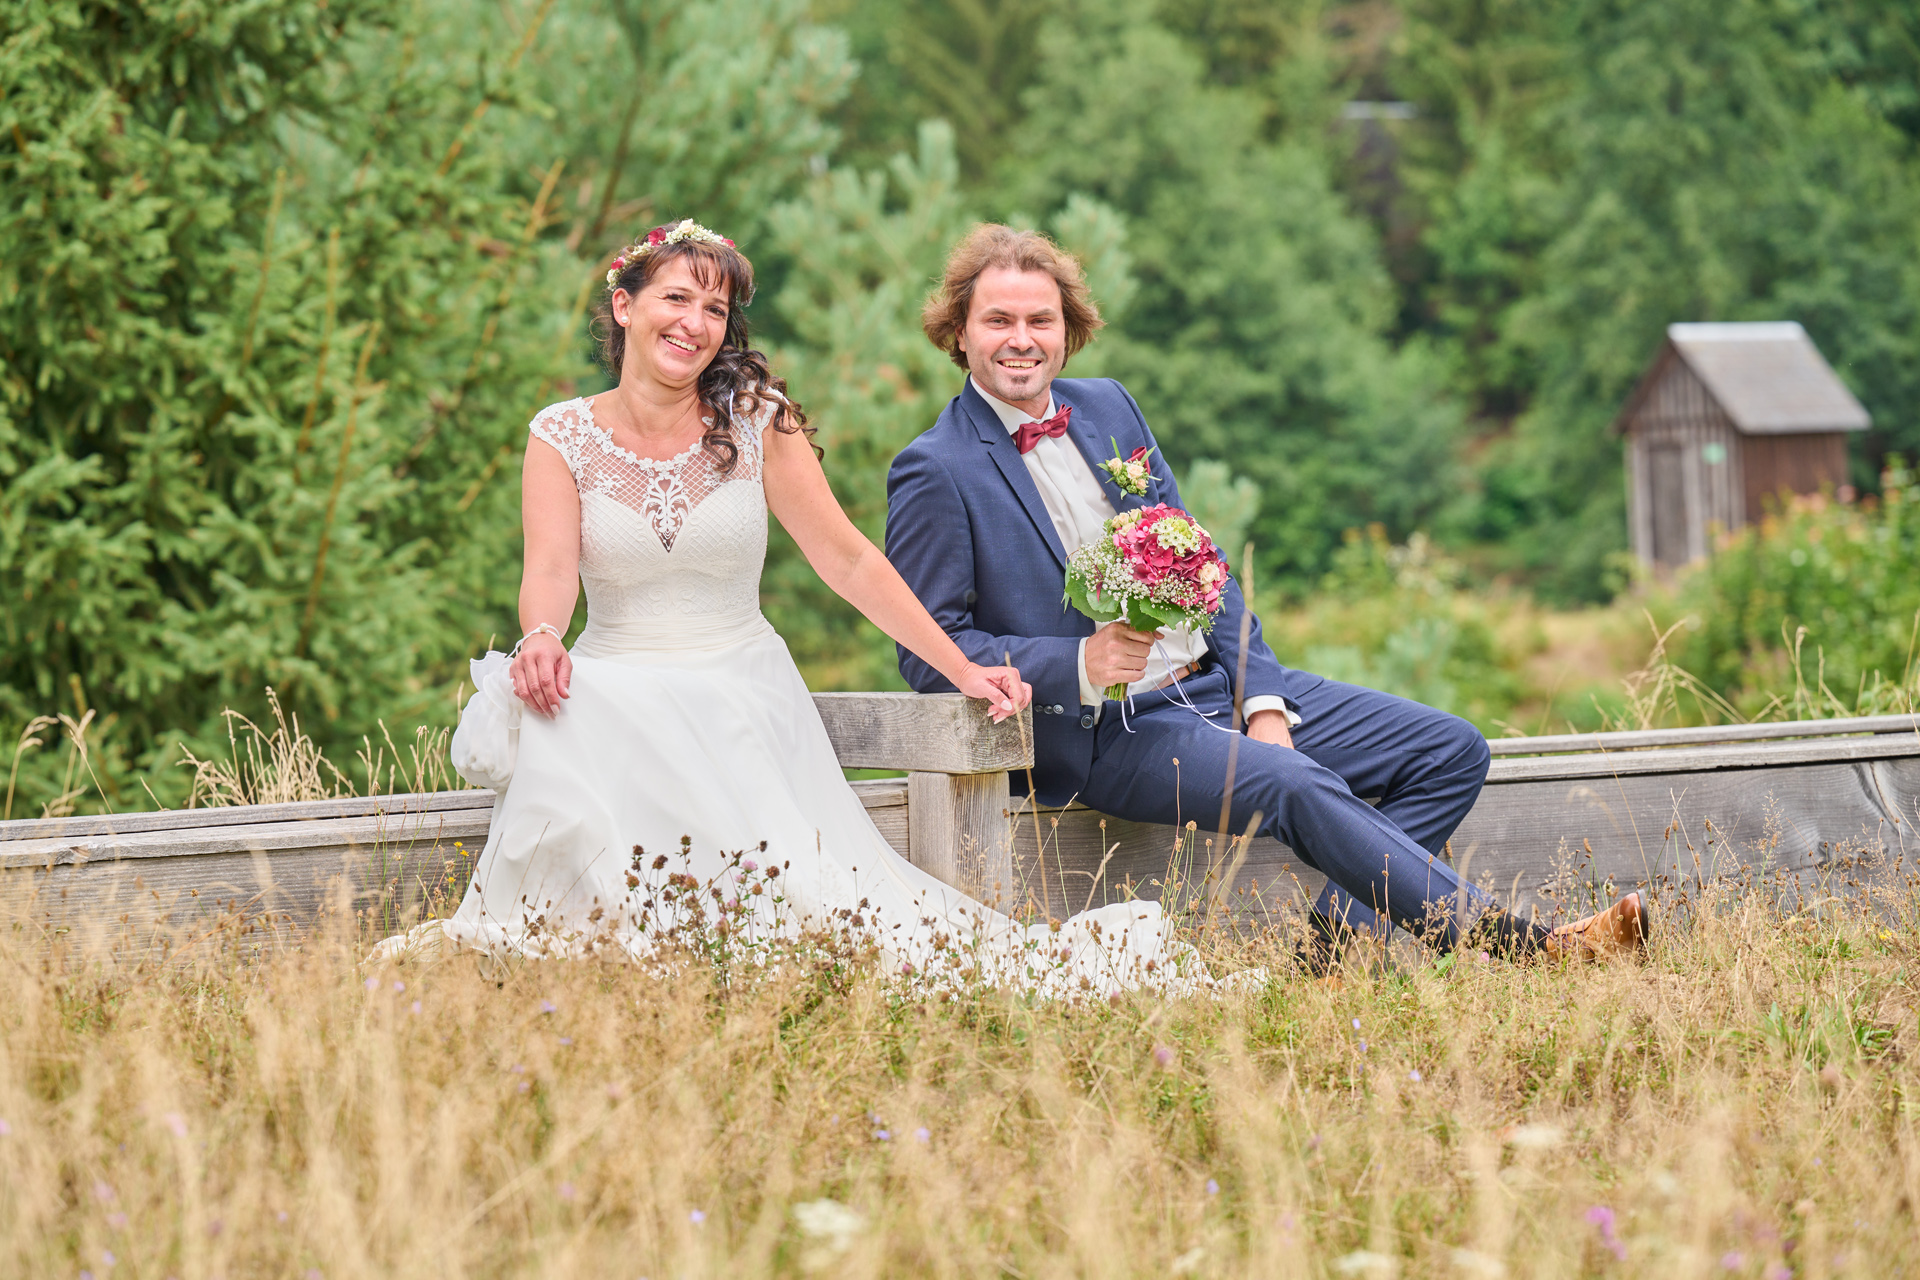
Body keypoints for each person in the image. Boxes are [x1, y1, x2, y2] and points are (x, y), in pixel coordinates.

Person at [396, 220, 1187, 992]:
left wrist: (965, 667)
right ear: (624, 306)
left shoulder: (757, 419)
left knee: (820, 910)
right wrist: (541, 634)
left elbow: (848, 559)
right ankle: (589, 968)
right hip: (615, 683)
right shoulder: (560, 434)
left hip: (741, 688)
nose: (696, 324)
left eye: (716, 310)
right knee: (566, 707)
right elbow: (553, 568)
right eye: (677, 299)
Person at [884, 223, 1647, 964]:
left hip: (1211, 687)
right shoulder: (934, 467)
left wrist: (1265, 704)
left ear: (1067, 328)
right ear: (958, 332)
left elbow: (1201, 559)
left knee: (1449, 752)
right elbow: (931, 652)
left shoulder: (1109, 406)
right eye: (998, 320)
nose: (1021, 338)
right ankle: (1531, 948)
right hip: (1109, 734)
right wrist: (1080, 662)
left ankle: (1329, 955)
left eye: (1039, 319)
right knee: (1291, 783)